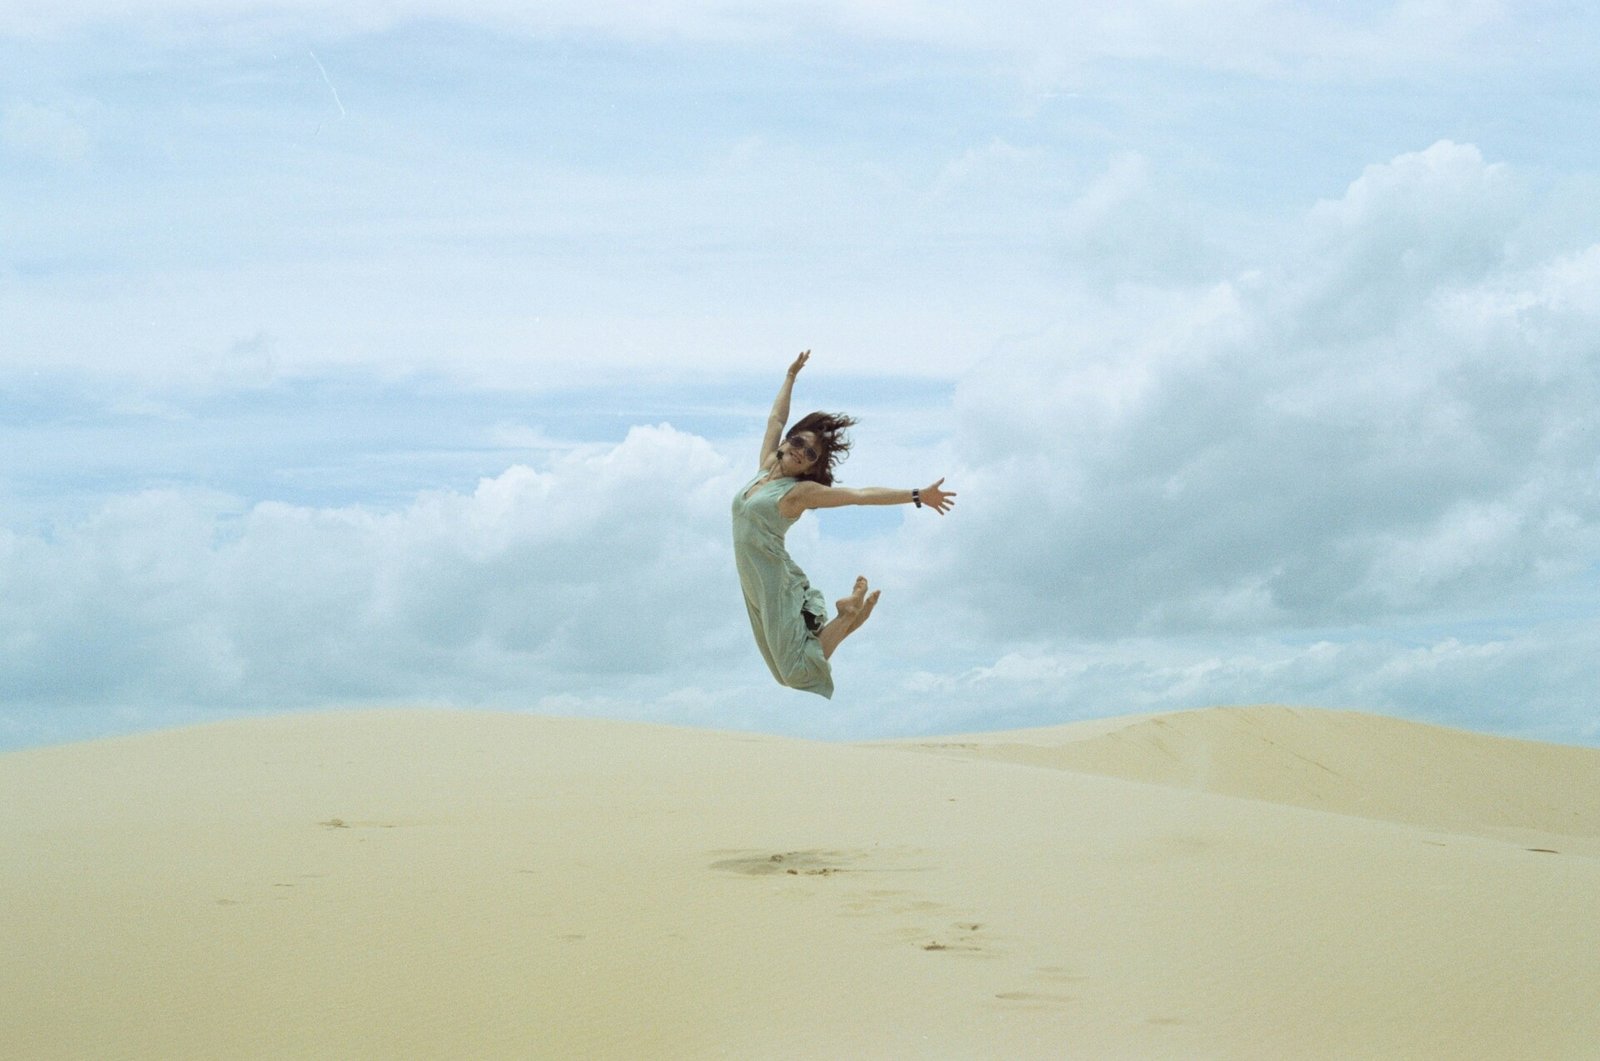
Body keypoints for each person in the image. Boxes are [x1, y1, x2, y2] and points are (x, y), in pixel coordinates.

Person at [731, 350, 956, 697]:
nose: (801, 452)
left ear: (810, 468)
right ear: (789, 440)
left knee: (795, 671)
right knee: (783, 673)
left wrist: (916, 495)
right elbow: (776, 419)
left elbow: (859, 495)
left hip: (774, 579)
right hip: (752, 579)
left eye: (810, 455)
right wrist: (790, 376)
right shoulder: (764, 468)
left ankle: (847, 616)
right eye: (798, 442)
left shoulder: (799, 492)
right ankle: (848, 616)